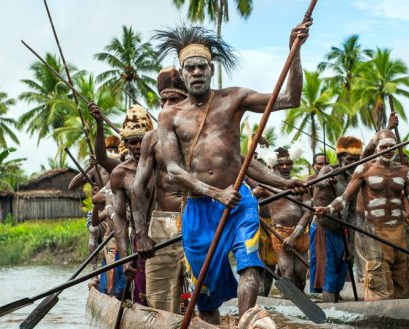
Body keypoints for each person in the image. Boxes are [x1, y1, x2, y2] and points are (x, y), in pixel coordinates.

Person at [151, 23, 310, 324]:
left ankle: (245, 319)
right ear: (183, 74)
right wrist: (214, 193)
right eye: (190, 68)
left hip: (238, 203)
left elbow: (290, 98)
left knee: (250, 265)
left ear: (211, 70)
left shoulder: (234, 99)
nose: (196, 72)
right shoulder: (169, 116)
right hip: (198, 210)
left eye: (202, 67)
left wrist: (295, 50)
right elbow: (173, 170)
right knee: (205, 294)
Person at [315, 135, 409, 301]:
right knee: (378, 283)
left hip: (399, 232)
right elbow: (345, 199)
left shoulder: (404, 172)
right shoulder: (364, 169)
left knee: (404, 282)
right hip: (375, 232)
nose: (388, 150)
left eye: (391, 146)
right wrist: (329, 209)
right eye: (383, 147)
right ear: (377, 149)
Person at [130, 67, 189, 313]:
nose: (166, 105)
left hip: (196, 218)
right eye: (163, 100)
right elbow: (138, 187)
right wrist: (142, 234)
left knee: (202, 297)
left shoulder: (204, 132)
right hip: (162, 224)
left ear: (187, 100)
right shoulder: (152, 139)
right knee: (159, 301)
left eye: (174, 99)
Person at [104, 104, 154, 306]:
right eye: (131, 142)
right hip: (139, 242)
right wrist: (124, 259)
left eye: (140, 141)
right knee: (142, 298)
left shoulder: (164, 166)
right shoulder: (121, 174)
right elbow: (121, 221)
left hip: (169, 236)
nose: (136, 147)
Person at [311, 135, 362, 302]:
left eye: (356, 160)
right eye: (348, 160)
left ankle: (336, 303)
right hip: (323, 229)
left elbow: (353, 213)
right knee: (329, 274)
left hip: (342, 232)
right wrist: (326, 182)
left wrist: (351, 243)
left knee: (342, 271)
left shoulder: (354, 180)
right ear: (340, 158)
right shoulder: (328, 170)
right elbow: (314, 182)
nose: (352, 163)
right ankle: (329, 308)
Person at [258, 147, 312, 291]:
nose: (285, 167)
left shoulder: (301, 186)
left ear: (292, 165)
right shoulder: (266, 187)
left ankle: (299, 307)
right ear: (276, 166)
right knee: (287, 273)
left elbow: (307, 213)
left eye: (288, 164)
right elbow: (249, 199)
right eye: (281, 165)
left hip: (299, 234)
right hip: (280, 234)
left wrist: (295, 236)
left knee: (300, 276)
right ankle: (287, 306)